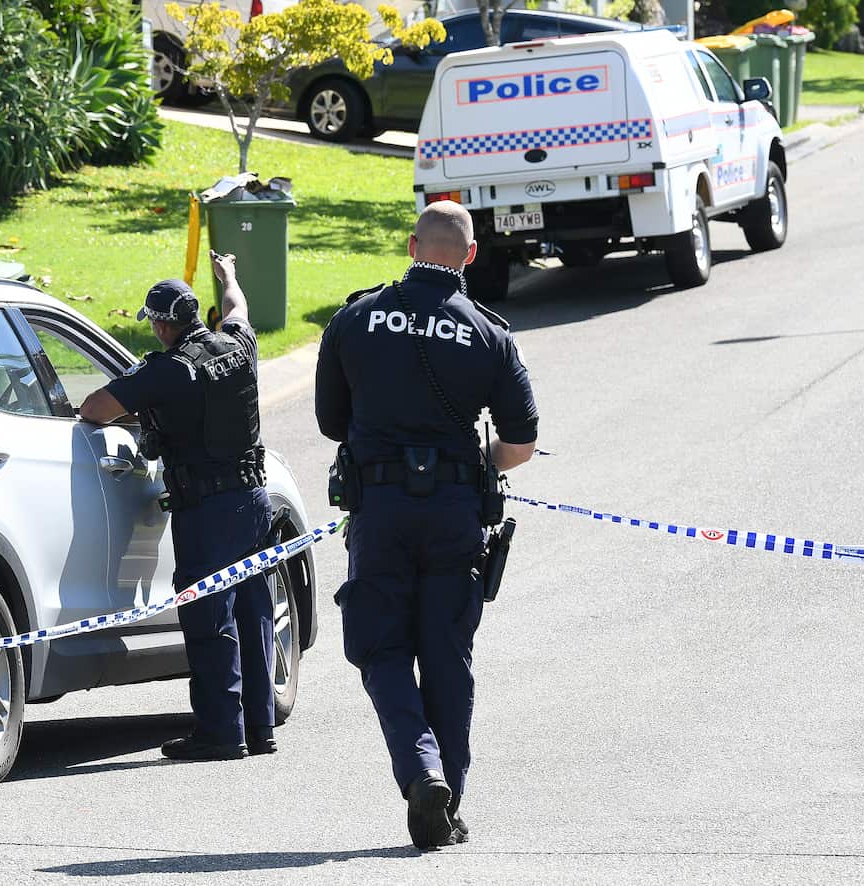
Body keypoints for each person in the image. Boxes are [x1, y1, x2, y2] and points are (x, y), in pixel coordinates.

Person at [314, 201, 539, 850]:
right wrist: (478, 467)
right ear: (470, 255)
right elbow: (519, 445)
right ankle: (449, 804)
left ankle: (422, 772)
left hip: (380, 512)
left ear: (413, 246)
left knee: (382, 650)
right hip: (453, 513)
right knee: (448, 658)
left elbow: (333, 423)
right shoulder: (489, 333)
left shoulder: (355, 319)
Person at [79, 254, 276, 761]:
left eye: (155, 323)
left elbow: (95, 408)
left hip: (207, 509)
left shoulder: (168, 371)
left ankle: (220, 733)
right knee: (253, 611)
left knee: (210, 619)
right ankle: (260, 727)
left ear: (163, 324)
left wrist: (140, 398)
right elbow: (237, 306)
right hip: (253, 499)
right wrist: (229, 274)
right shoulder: (238, 343)